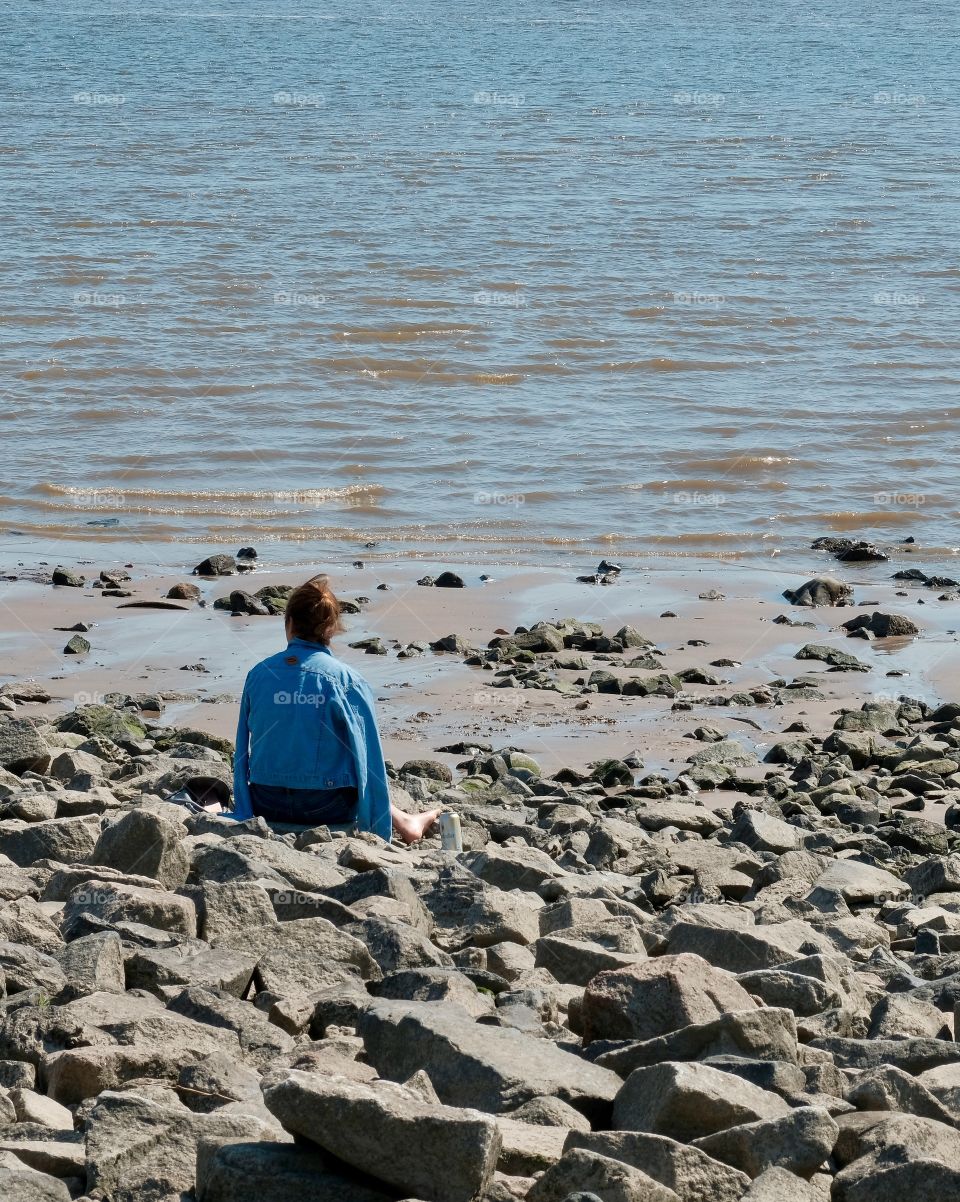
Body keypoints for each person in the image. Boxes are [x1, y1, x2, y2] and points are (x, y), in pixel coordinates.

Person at [231, 573, 439, 844]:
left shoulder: (258, 673)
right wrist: (377, 832)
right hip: (325, 806)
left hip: (266, 801)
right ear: (331, 629)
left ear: (289, 622)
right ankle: (403, 820)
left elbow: (241, 749)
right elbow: (369, 759)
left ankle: (403, 819)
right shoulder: (347, 680)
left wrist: (244, 810)